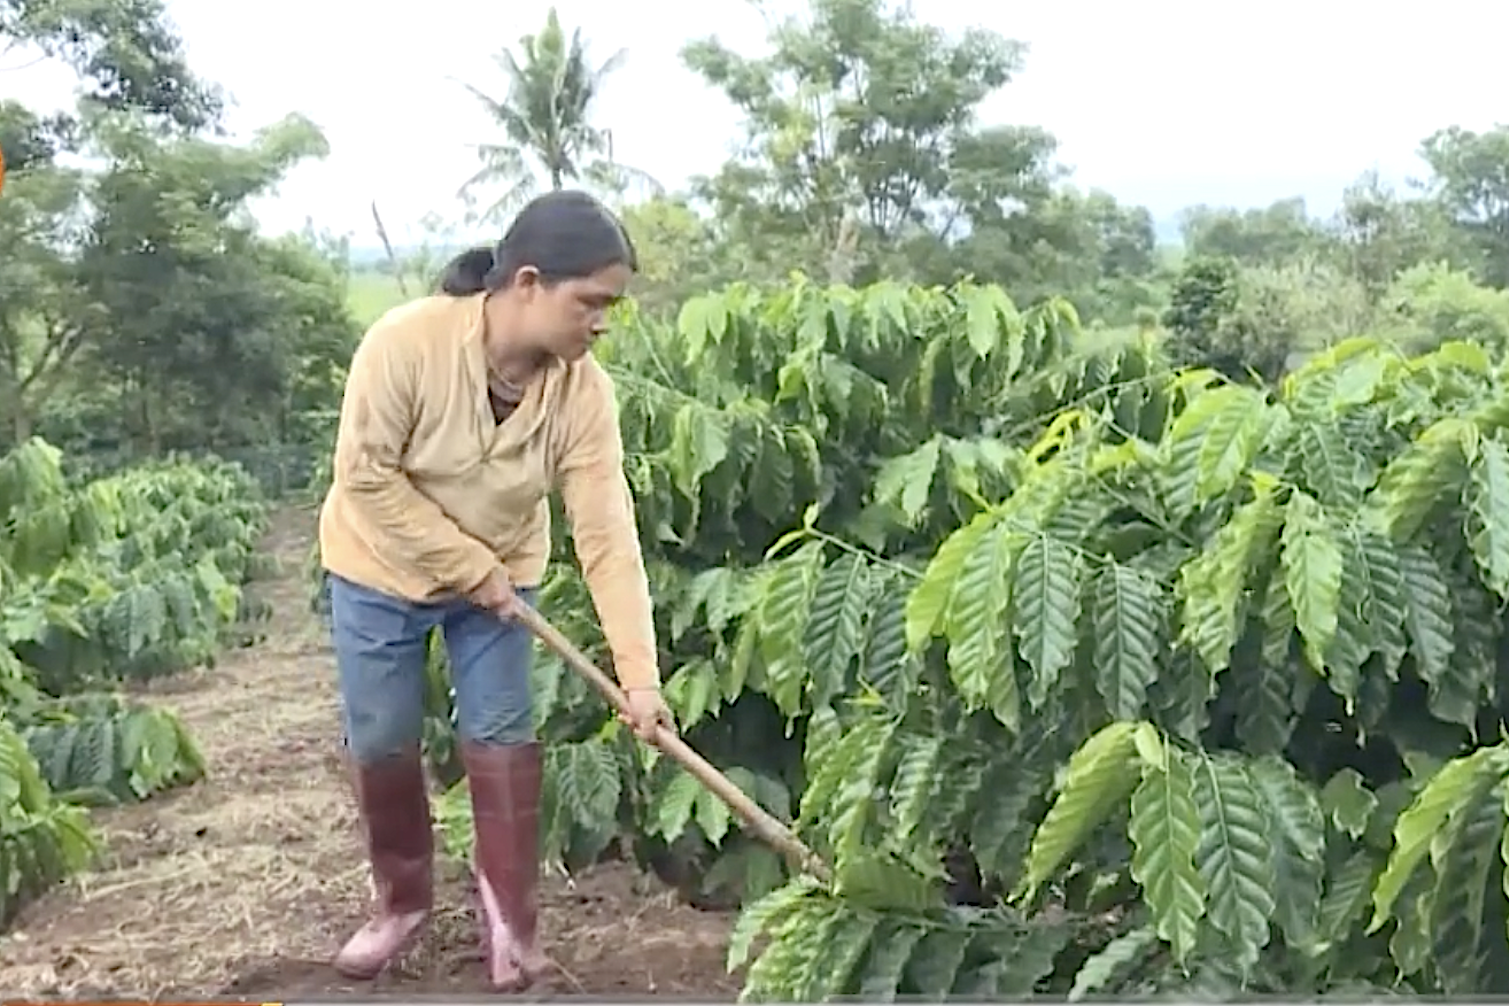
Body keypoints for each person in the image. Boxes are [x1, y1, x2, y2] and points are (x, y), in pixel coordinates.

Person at [317, 189, 675, 991]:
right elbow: (365, 478)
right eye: (590, 303)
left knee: (503, 736)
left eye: (610, 307)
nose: (600, 323)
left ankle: (511, 929)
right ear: (526, 283)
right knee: (381, 736)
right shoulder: (404, 344)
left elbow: (606, 535)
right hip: (379, 568)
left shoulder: (583, 396)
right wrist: (466, 564)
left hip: (503, 583)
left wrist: (638, 676)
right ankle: (400, 905)